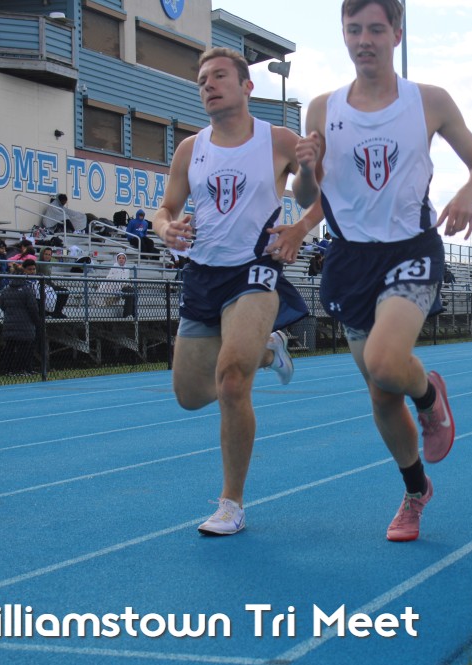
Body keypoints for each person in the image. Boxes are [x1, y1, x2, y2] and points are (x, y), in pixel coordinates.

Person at [292, 0, 472, 542]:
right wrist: (306, 170)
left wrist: (466, 196)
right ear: (343, 34)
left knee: (385, 363)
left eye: (376, 29)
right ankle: (415, 491)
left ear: (396, 35)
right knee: (381, 393)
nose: (364, 40)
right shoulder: (322, 108)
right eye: (354, 29)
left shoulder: (429, 101)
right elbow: (307, 195)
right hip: (350, 260)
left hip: (411, 250)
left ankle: (428, 396)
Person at [152, 46, 316, 537]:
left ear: (247, 86)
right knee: (189, 395)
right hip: (202, 275)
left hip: (255, 270)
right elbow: (166, 208)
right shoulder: (190, 149)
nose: (208, 84)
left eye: (219, 76)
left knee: (230, 382)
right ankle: (270, 349)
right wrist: (165, 228)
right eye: (202, 79)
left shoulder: (277, 139)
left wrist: (299, 226)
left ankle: (231, 504)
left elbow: (322, 194)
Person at [0, 258, 40, 375]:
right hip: (25, 323)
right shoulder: (27, 290)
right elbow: (33, 308)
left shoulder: (6, 290)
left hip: (9, 322)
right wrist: (36, 321)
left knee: (9, 347)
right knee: (25, 348)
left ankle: (8, 370)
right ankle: (24, 369)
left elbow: (2, 305)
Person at [36, 246, 70, 317]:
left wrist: (52, 285)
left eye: (49, 254)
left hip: (49, 285)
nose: (47, 256)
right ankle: (52, 312)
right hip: (41, 285)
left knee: (64, 292)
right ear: (42, 254)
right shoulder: (37, 263)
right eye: (46, 254)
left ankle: (57, 312)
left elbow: (48, 278)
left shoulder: (48, 264)